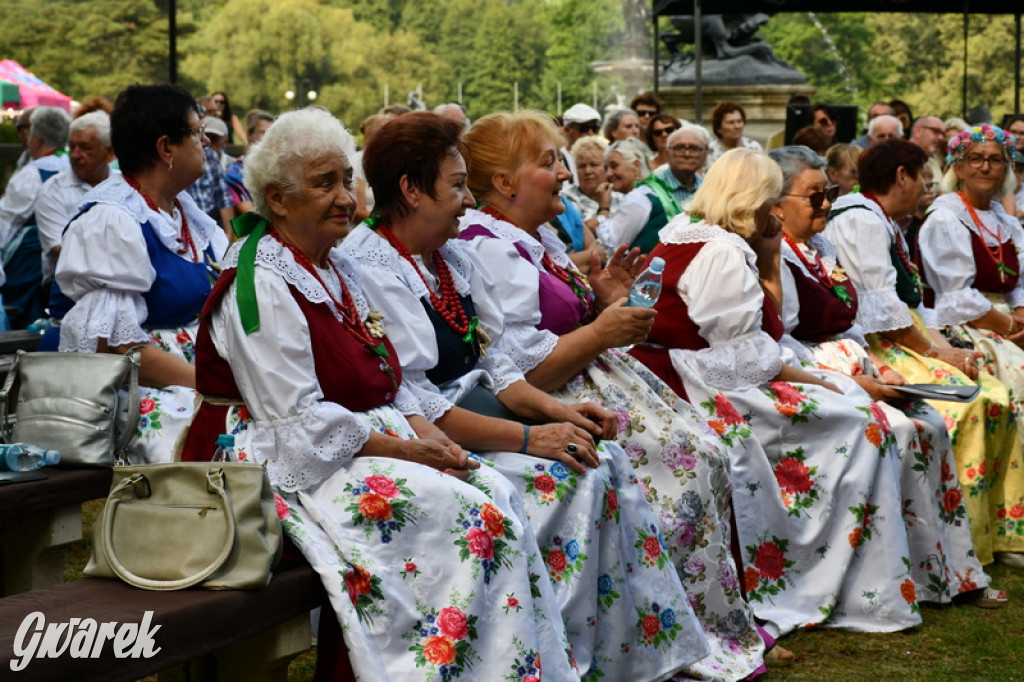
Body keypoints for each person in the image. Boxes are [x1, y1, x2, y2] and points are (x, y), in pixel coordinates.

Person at [179, 106, 583, 682]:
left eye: (347, 179)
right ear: (277, 199)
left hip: (355, 439)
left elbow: (394, 384)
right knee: (468, 519)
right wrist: (414, 452)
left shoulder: (335, 264)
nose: (345, 197)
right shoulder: (261, 282)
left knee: (493, 489)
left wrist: (431, 439)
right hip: (275, 465)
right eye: (324, 184)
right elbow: (298, 427)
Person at [345, 110, 706, 680]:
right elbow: (417, 400)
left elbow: (498, 365)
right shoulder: (371, 266)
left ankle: (605, 657)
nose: (468, 203)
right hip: (428, 430)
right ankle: (544, 658)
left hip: (473, 412)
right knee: (568, 476)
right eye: (458, 186)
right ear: (411, 191)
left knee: (598, 457)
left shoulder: (451, 256)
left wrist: (563, 413)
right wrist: (533, 435)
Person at [460, 110, 778, 680]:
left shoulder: (534, 238)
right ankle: (663, 632)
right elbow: (520, 377)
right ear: (504, 182)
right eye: (548, 162)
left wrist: (600, 300)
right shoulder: (490, 247)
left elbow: (556, 329)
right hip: (553, 399)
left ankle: (691, 626)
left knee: (704, 450)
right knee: (687, 466)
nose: (563, 173)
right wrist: (601, 330)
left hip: (593, 379)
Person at [631, 147, 920, 636]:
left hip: (687, 373)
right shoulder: (721, 249)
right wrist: (821, 380)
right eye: (769, 200)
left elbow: (753, 344)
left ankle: (842, 571)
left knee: (850, 407)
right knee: (857, 423)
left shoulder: (682, 235)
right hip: (700, 384)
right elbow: (741, 358)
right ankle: (813, 574)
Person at [770, 145, 999, 608]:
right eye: (815, 197)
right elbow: (783, 341)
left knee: (931, 423)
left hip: (850, 360)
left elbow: (851, 317)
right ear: (776, 204)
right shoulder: (777, 256)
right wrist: (854, 380)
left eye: (828, 193)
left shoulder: (819, 246)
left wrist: (880, 366)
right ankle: (879, 582)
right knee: (895, 428)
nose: (827, 205)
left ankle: (943, 571)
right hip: (810, 369)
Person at [825, 138, 1024, 569]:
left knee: (992, 394)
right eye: (923, 179)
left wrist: (942, 348)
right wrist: (941, 355)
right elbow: (884, 316)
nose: (926, 190)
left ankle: (986, 531)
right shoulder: (861, 220)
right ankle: (955, 540)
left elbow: (908, 309)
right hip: (875, 345)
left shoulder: (880, 220)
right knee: (974, 404)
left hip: (900, 336)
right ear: (902, 177)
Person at [55, 84, 228, 464]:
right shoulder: (113, 219)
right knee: (229, 442)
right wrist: (211, 384)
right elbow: (117, 346)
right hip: (144, 389)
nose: (205, 143)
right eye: (197, 133)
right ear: (166, 148)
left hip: (195, 376)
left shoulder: (186, 216)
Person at [0, 106, 71, 329]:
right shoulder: (75, 166)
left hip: (33, 268)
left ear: (37, 140)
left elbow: (6, 222)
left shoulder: (32, 174)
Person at [35, 111, 117, 286]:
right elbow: (61, 252)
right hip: (67, 289)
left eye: (85, 147)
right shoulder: (53, 190)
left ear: (109, 152)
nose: (75, 155)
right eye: (72, 147)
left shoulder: (123, 186)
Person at [598, 126, 707, 255]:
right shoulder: (646, 194)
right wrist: (603, 211)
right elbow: (612, 244)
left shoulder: (709, 189)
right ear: (667, 154)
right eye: (679, 148)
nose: (687, 154)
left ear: (704, 155)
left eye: (694, 148)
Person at [562, 135, 619, 232]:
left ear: (606, 168)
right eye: (582, 166)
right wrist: (604, 209)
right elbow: (579, 234)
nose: (588, 171)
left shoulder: (619, 195)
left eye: (594, 165)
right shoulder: (566, 199)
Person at [225, 110, 274, 217]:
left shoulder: (280, 167)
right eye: (264, 132)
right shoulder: (236, 170)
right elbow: (250, 215)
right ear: (249, 135)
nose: (270, 138)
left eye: (273, 133)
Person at [706, 101, 762, 169]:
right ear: (719, 128)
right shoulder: (710, 152)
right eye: (731, 122)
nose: (737, 126)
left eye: (739, 121)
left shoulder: (754, 147)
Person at [559, 103, 602, 182]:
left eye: (595, 128)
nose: (591, 133)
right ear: (567, 130)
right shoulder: (559, 159)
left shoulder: (605, 155)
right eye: (584, 128)